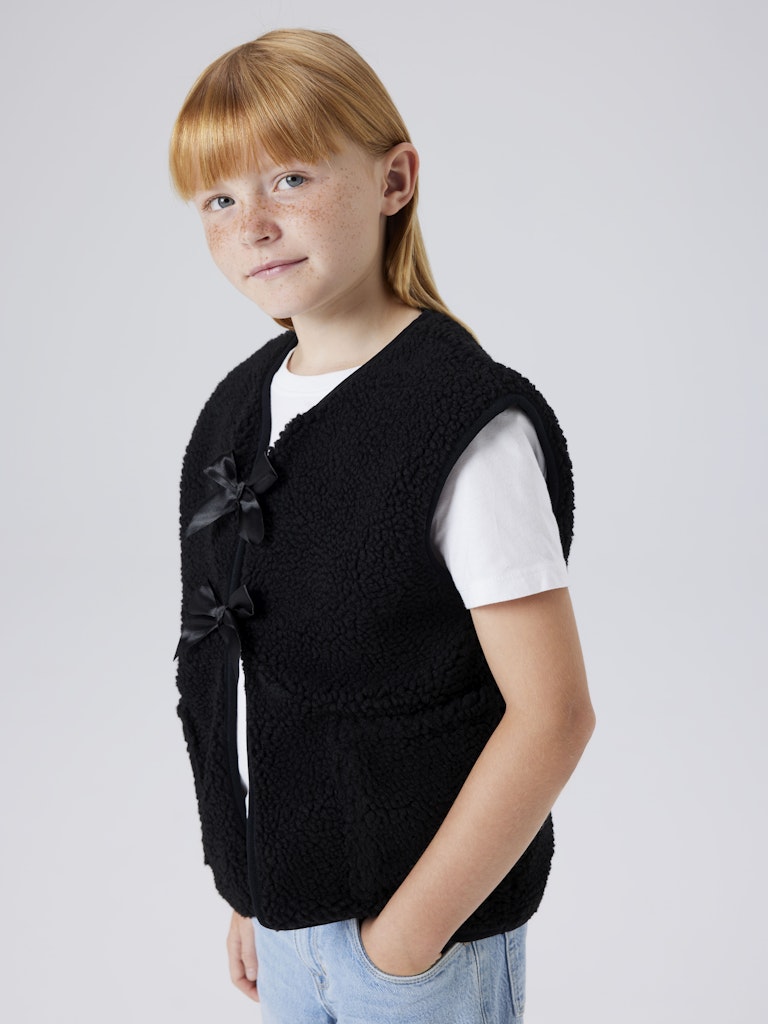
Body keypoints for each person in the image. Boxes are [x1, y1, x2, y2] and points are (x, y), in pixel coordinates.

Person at [170, 28, 595, 1024]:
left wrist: (405, 940)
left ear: (395, 179)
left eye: (290, 177)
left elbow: (554, 714)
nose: (253, 224)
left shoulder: (464, 427)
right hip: (286, 918)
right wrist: (255, 888)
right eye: (220, 198)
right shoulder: (238, 409)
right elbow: (249, 673)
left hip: (420, 940)